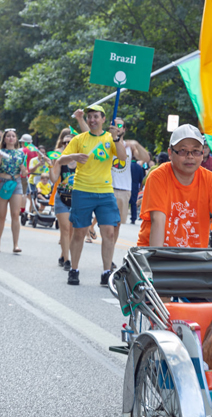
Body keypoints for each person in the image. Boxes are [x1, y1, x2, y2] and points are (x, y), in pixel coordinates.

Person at [137, 124, 212, 249]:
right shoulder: (158, 177)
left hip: (193, 258)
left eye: (196, 151)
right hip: (157, 254)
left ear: (202, 154)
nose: (190, 156)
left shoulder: (211, 180)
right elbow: (158, 220)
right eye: (183, 151)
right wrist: (156, 262)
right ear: (170, 153)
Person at [57, 104, 127, 286]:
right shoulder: (80, 138)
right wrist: (75, 156)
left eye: (96, 116)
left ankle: (106, 272)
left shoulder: (111, 138)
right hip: (82, 190)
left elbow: (122, 158)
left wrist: (117, 137)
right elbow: (60, 159)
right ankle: (74, 269)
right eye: (90, 117)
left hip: (105, 192)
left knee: (109, 232)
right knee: (79, 232)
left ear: (103, 119)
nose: (93, 119)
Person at [111, 117, 150, 253]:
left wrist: (136, 144)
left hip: (124, 190)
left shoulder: (129, 147)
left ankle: (109, 254)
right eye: (114, 125)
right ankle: (91, 230)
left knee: (116, 226)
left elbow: (145, 158)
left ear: (124, 129)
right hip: (107, 188)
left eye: (120, 125)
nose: (117, 127)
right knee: (107, 226)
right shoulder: (106, 142)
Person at [49, 128, 77, 269]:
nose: (66, 145)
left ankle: (62, 255)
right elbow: (54, 179)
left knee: (72, 230)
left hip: (77, 198)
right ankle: (67, 260)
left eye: (70, 142)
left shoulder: (81, 160)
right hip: (61, 196)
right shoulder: (60, 161)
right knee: (65, 229)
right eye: (65, 142)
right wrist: (50, 166)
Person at [0, 129, 28, 253]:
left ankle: (16, 244)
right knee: (1, 216)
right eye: (8, 136)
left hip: (16, 183)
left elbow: (25, 172)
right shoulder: (1, 152)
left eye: (13, 136)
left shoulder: (21, 154)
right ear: (4, 139)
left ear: (16, 139)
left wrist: (23, 169)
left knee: (15, 215)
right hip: (2, 183)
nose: (11, 138)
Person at [130, 158, 145, 224]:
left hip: (127, 184)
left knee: (126, 201)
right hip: (135, 186)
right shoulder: (139, 167)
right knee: (134, 202)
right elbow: (141, 179)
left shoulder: (129, 166)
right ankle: (133, 218)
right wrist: (140, 188)